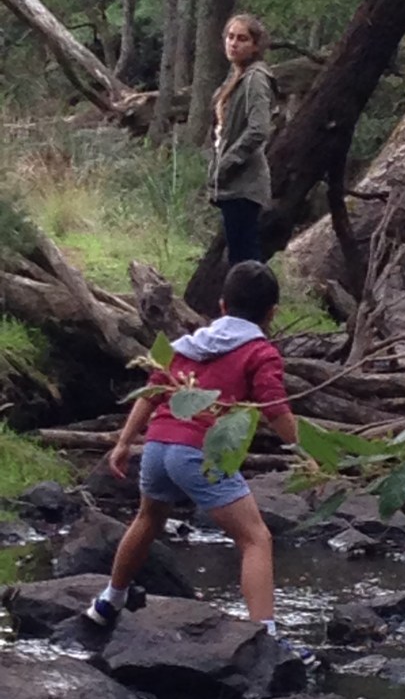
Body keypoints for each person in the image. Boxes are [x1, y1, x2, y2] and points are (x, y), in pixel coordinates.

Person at [85, 261, 315, 664]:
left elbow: (150, 392)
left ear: (223, 305)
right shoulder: (260, 352)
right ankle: (267, 637)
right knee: (255, 538)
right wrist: (307, 454)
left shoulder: (186, 345)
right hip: (201, 452)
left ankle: (109, 601)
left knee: (147, 520)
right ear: (273, 312)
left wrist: (123, 444)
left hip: (158, 446)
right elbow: (276, 409)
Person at [209, 13, 276, 265]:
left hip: (244, 183)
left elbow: (259, 129)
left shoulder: (255, 79)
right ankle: (241, 301)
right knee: (239, 252)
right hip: (232, 184)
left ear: (255, 45)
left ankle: (253, 303)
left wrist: (228, 162)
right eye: (230, 37)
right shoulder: (235, 76)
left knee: (244, 255)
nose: (234, 43)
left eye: (242, 39)